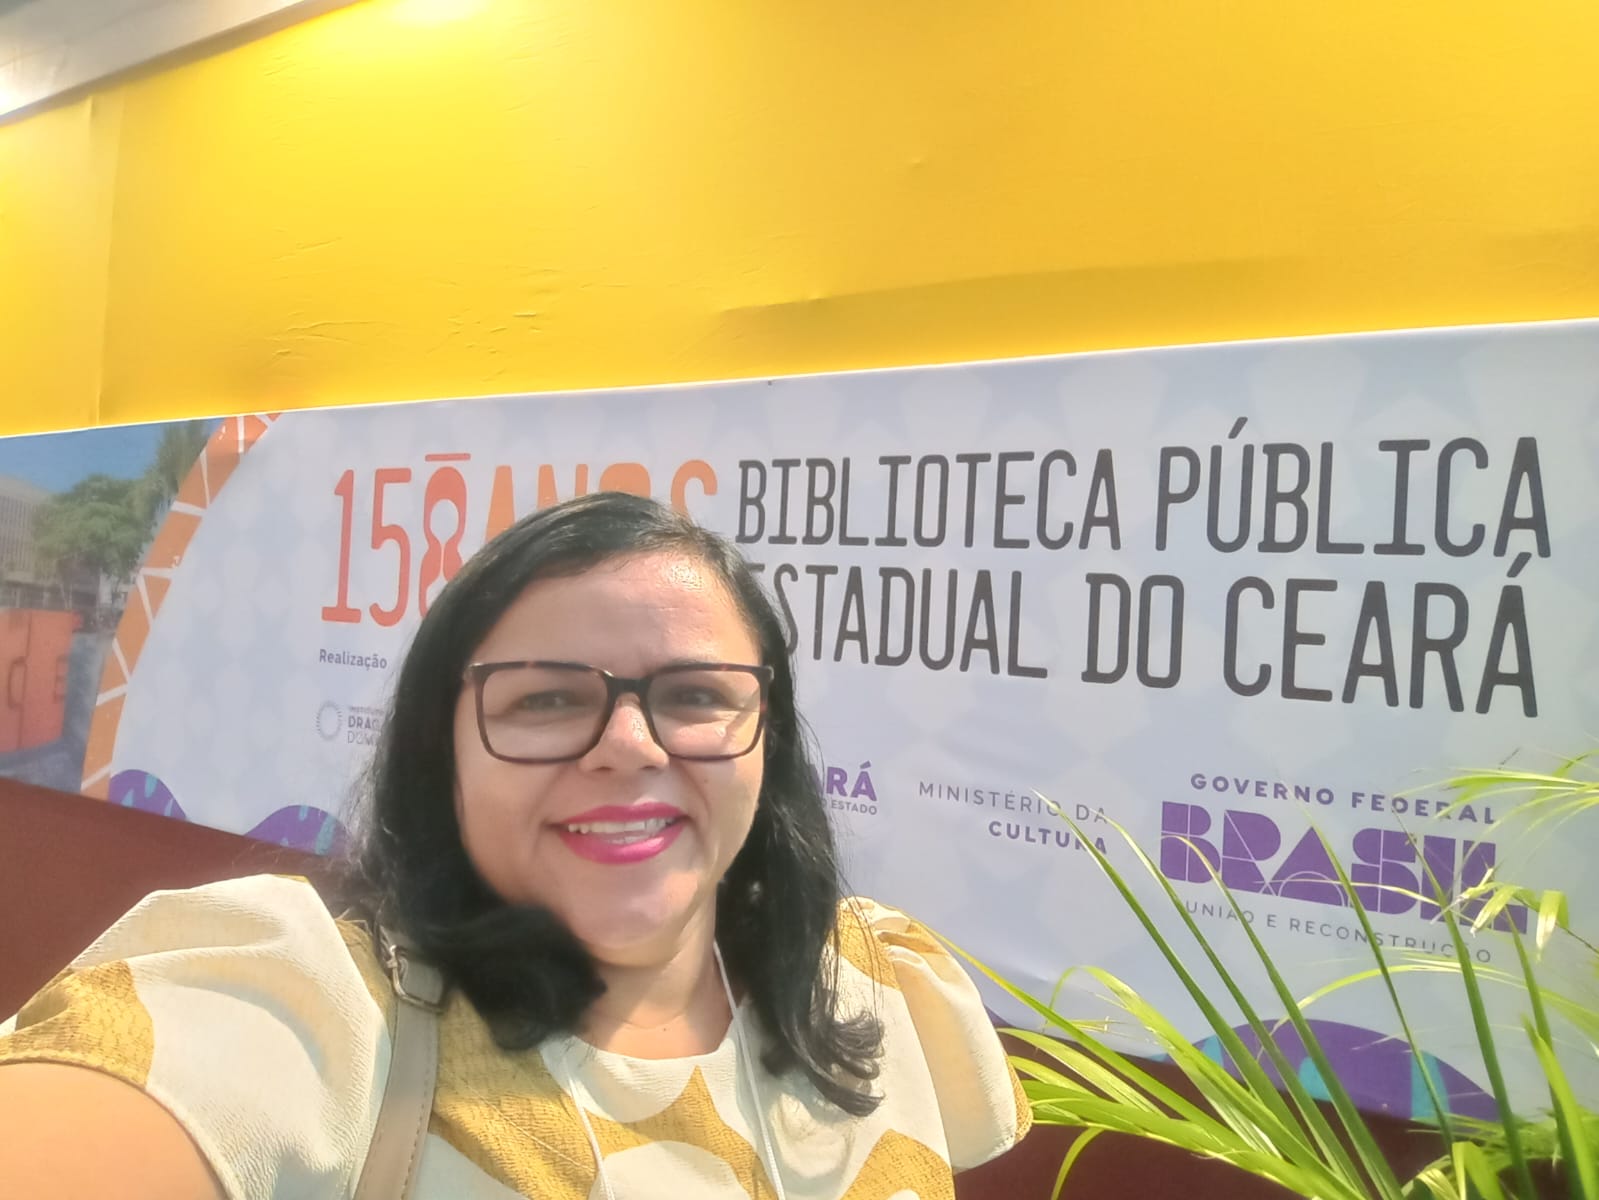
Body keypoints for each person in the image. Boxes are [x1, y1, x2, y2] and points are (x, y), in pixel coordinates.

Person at [0, 492, 1030, 1199]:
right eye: (545, 700)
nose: (631, 746)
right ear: (441, 748)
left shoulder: (882, 985)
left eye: (694, 696)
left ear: (769, 738)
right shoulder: (313, 1008)